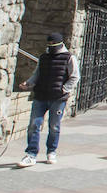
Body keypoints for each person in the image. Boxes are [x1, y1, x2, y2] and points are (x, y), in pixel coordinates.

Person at [17, 32, 78, 167]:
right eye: (49, 44)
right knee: (34, 125)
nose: (51, 47)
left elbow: (74, 77)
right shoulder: (43, 57)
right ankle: (31, 154)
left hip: (58, 98)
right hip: (40, 96)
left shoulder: (69, 57)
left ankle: (51, 151)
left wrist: (64, 89)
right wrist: (28, 84)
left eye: (53, 45)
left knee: (54, 126)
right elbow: (37, 74)